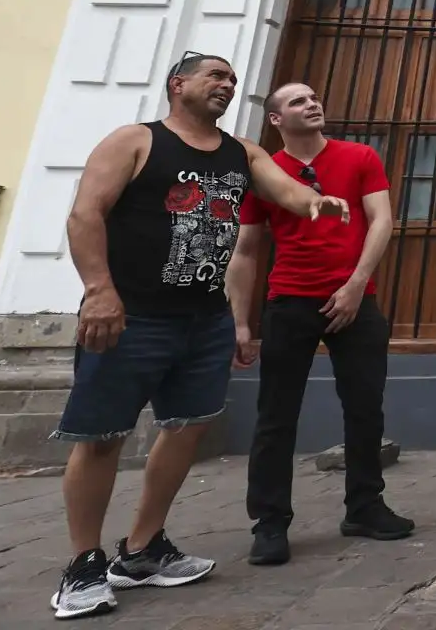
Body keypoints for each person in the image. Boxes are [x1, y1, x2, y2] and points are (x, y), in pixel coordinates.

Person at [49, 52, 349, 621]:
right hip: (130, 315)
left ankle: (142, 548)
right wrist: (99, 291)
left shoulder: (242, 152)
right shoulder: (135, 141)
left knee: (186, 429)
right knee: (102, 436)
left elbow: (287, 191)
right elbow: (85, 215)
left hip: (205, 318)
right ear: (178, 83)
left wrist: (317, 201)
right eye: (216, 75)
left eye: (232, 79)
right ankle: (82, 564)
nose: (227, 84)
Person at [228, 82, 413, 567]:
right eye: (297, 101)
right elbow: (246, 249)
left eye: (313, 98)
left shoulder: (359, 157)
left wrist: (355, 285)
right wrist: (240, 322)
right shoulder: (265, 173)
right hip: (289, 301)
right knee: (276, 416)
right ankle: (270, 523)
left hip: (356, 301)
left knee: (365, 408)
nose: (312, 104)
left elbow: (381, 221)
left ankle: (365, 507)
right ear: (275, 120)